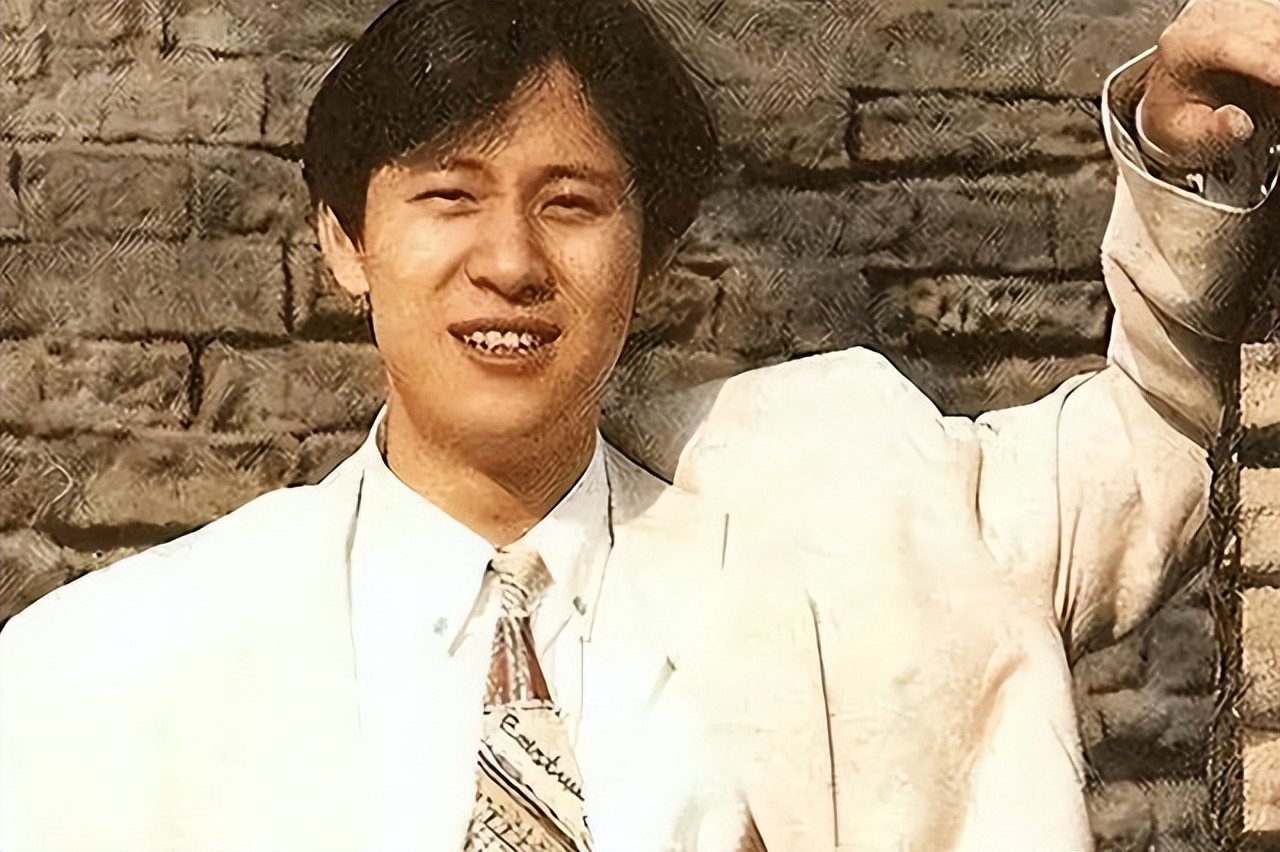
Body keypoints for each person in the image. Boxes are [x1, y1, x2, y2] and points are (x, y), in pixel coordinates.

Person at [1, 0, 1276, 849]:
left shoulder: (857, 514)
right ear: (344, 240)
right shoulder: (97, 676)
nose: (509, 262)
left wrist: (1193, 159)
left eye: (570, 203)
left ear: (649, 257)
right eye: (448, 197)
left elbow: (1165, 437)